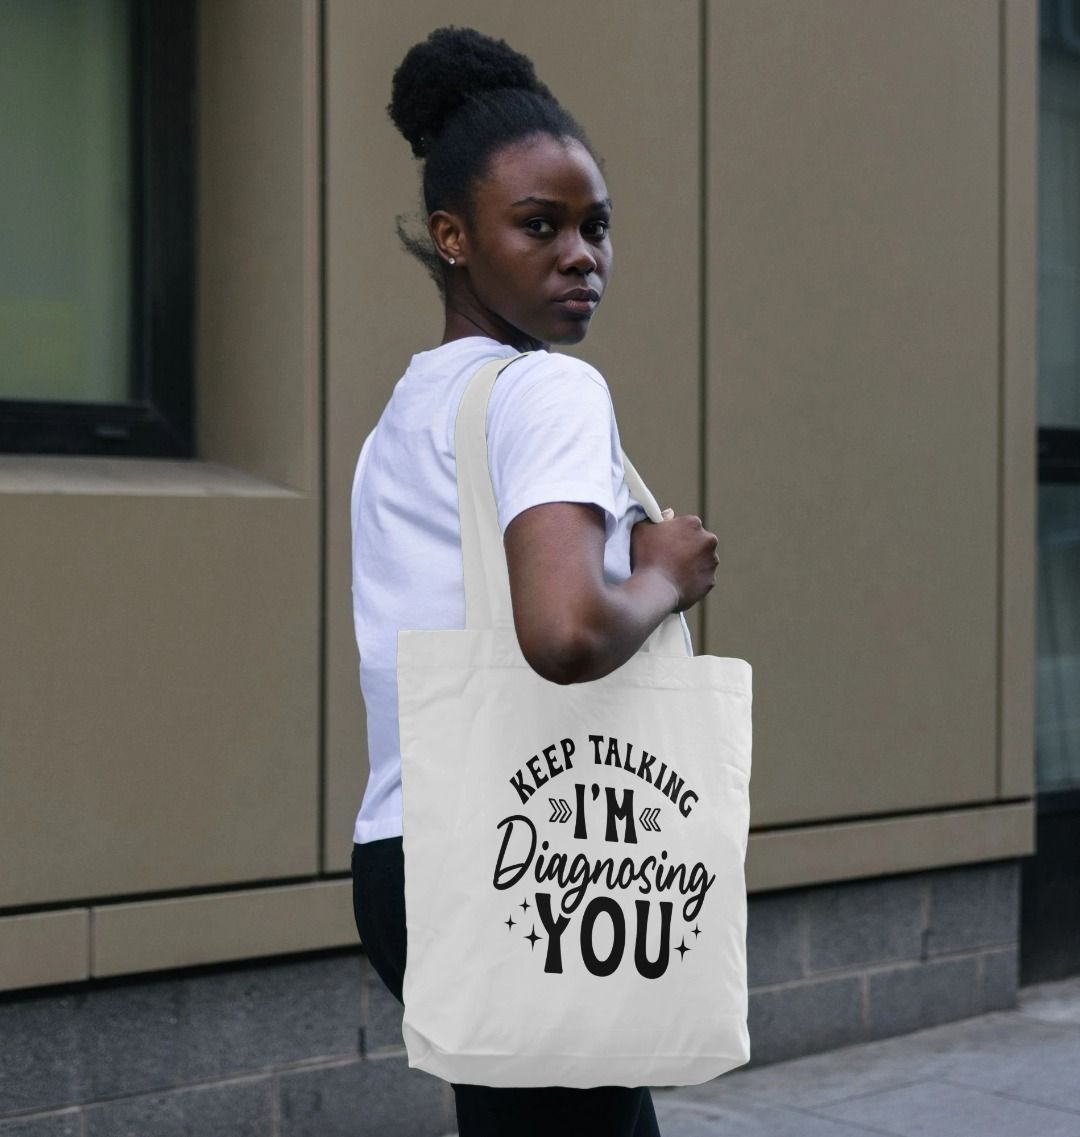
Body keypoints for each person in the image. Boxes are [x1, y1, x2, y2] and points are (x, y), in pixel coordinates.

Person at [349, 26, 720, 1137]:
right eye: (541, 225)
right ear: (454, 237)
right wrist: (665, 574)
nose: (582, 255)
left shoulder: (406, 416)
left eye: (597, 226)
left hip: (407, 860)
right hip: (535, 856)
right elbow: (562, 631)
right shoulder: (550, 393)